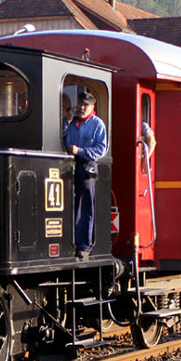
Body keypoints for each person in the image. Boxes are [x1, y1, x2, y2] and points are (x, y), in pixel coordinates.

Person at [64, 89, 107, 259]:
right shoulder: (71, 122)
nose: (82, 107)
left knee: (85, 207)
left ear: (92, 107)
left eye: (85, 105)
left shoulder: (97, 124)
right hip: (68, 167)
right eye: (80, 104)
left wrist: (80, 151)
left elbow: (101, 149)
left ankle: (84, 245)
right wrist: (66, 121)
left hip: (86, 167)